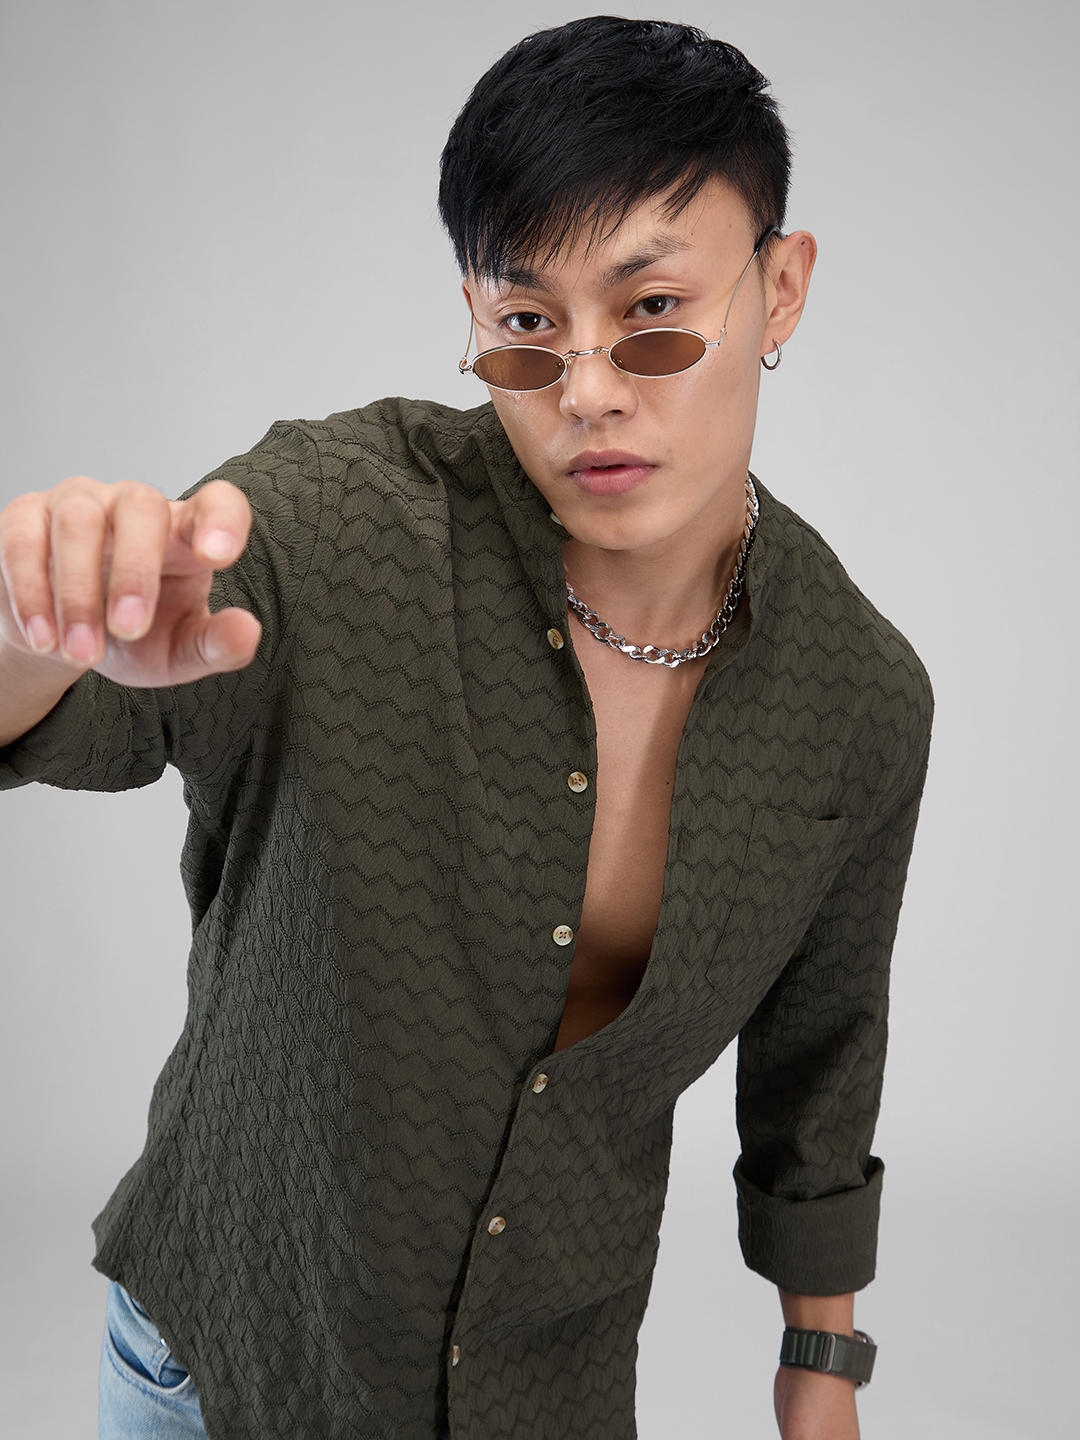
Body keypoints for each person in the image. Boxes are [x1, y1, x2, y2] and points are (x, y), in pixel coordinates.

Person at [0, 15, 933, 1440]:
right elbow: (73, 716)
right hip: (233, 1360)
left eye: (654, 312)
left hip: (537, 1386)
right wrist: (35, 623)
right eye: (528, 329)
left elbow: (822, 1059)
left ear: (782, 287)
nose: (590, 391)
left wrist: (824, 1363)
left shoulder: (857, 699)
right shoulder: (331, 523)